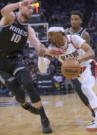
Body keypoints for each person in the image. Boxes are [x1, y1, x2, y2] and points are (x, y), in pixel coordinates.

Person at [0, 0, 62, 133]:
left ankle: (44, 119)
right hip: (1, 64)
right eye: (28, 8)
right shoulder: (10, 18)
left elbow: (38, 46)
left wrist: (49, 51)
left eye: (32, 9)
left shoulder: (28, 29)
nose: (31, 10)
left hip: (16, 60)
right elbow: (3, 11)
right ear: (21, 8)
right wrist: (20, 3)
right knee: (20, 95)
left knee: (28, 83)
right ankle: (24, 104)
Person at [65, 10, 97, 119]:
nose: (73, 21)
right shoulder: (65, 33)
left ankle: (96, 109)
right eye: (72, 19)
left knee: (89, 89)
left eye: (76, 19)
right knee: (79, 90)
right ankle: (93, 112)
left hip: (83, 65)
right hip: (71, 66)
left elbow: (88, 51)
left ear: (81, 21)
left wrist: (78, 60)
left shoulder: (84, 34)